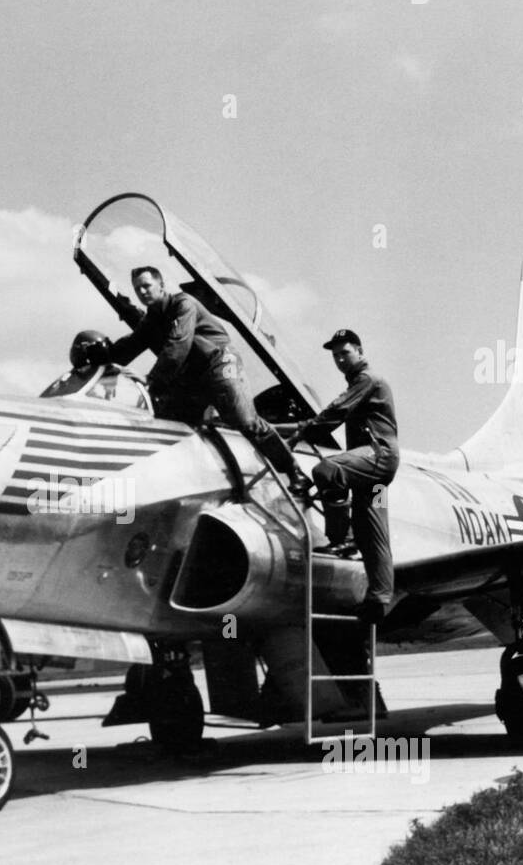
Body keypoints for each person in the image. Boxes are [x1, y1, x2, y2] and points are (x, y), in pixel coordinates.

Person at [70, 266, 303, 489]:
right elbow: (132, 344)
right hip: (193, 377)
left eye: (147, 286)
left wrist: (151, 380)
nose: (142, 292)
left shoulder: (184, 304)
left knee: (243, 419)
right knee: (166, 421)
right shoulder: (153, 318)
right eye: (138, 288)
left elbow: (178, 344)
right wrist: (97, 357)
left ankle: (292, 469)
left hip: (220, 362)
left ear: (161, 285)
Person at [291, 329, 399, 622]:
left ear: (360, 351)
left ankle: (341, 537)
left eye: (345, 353)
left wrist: (300, 431)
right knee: (373, 531)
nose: (340, 359)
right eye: (336, 355)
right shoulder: (362, 382)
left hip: (378, 458)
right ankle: (378, 600)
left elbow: (334, 413)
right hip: (375, 473)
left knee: (327, 469)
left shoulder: (366, 380)